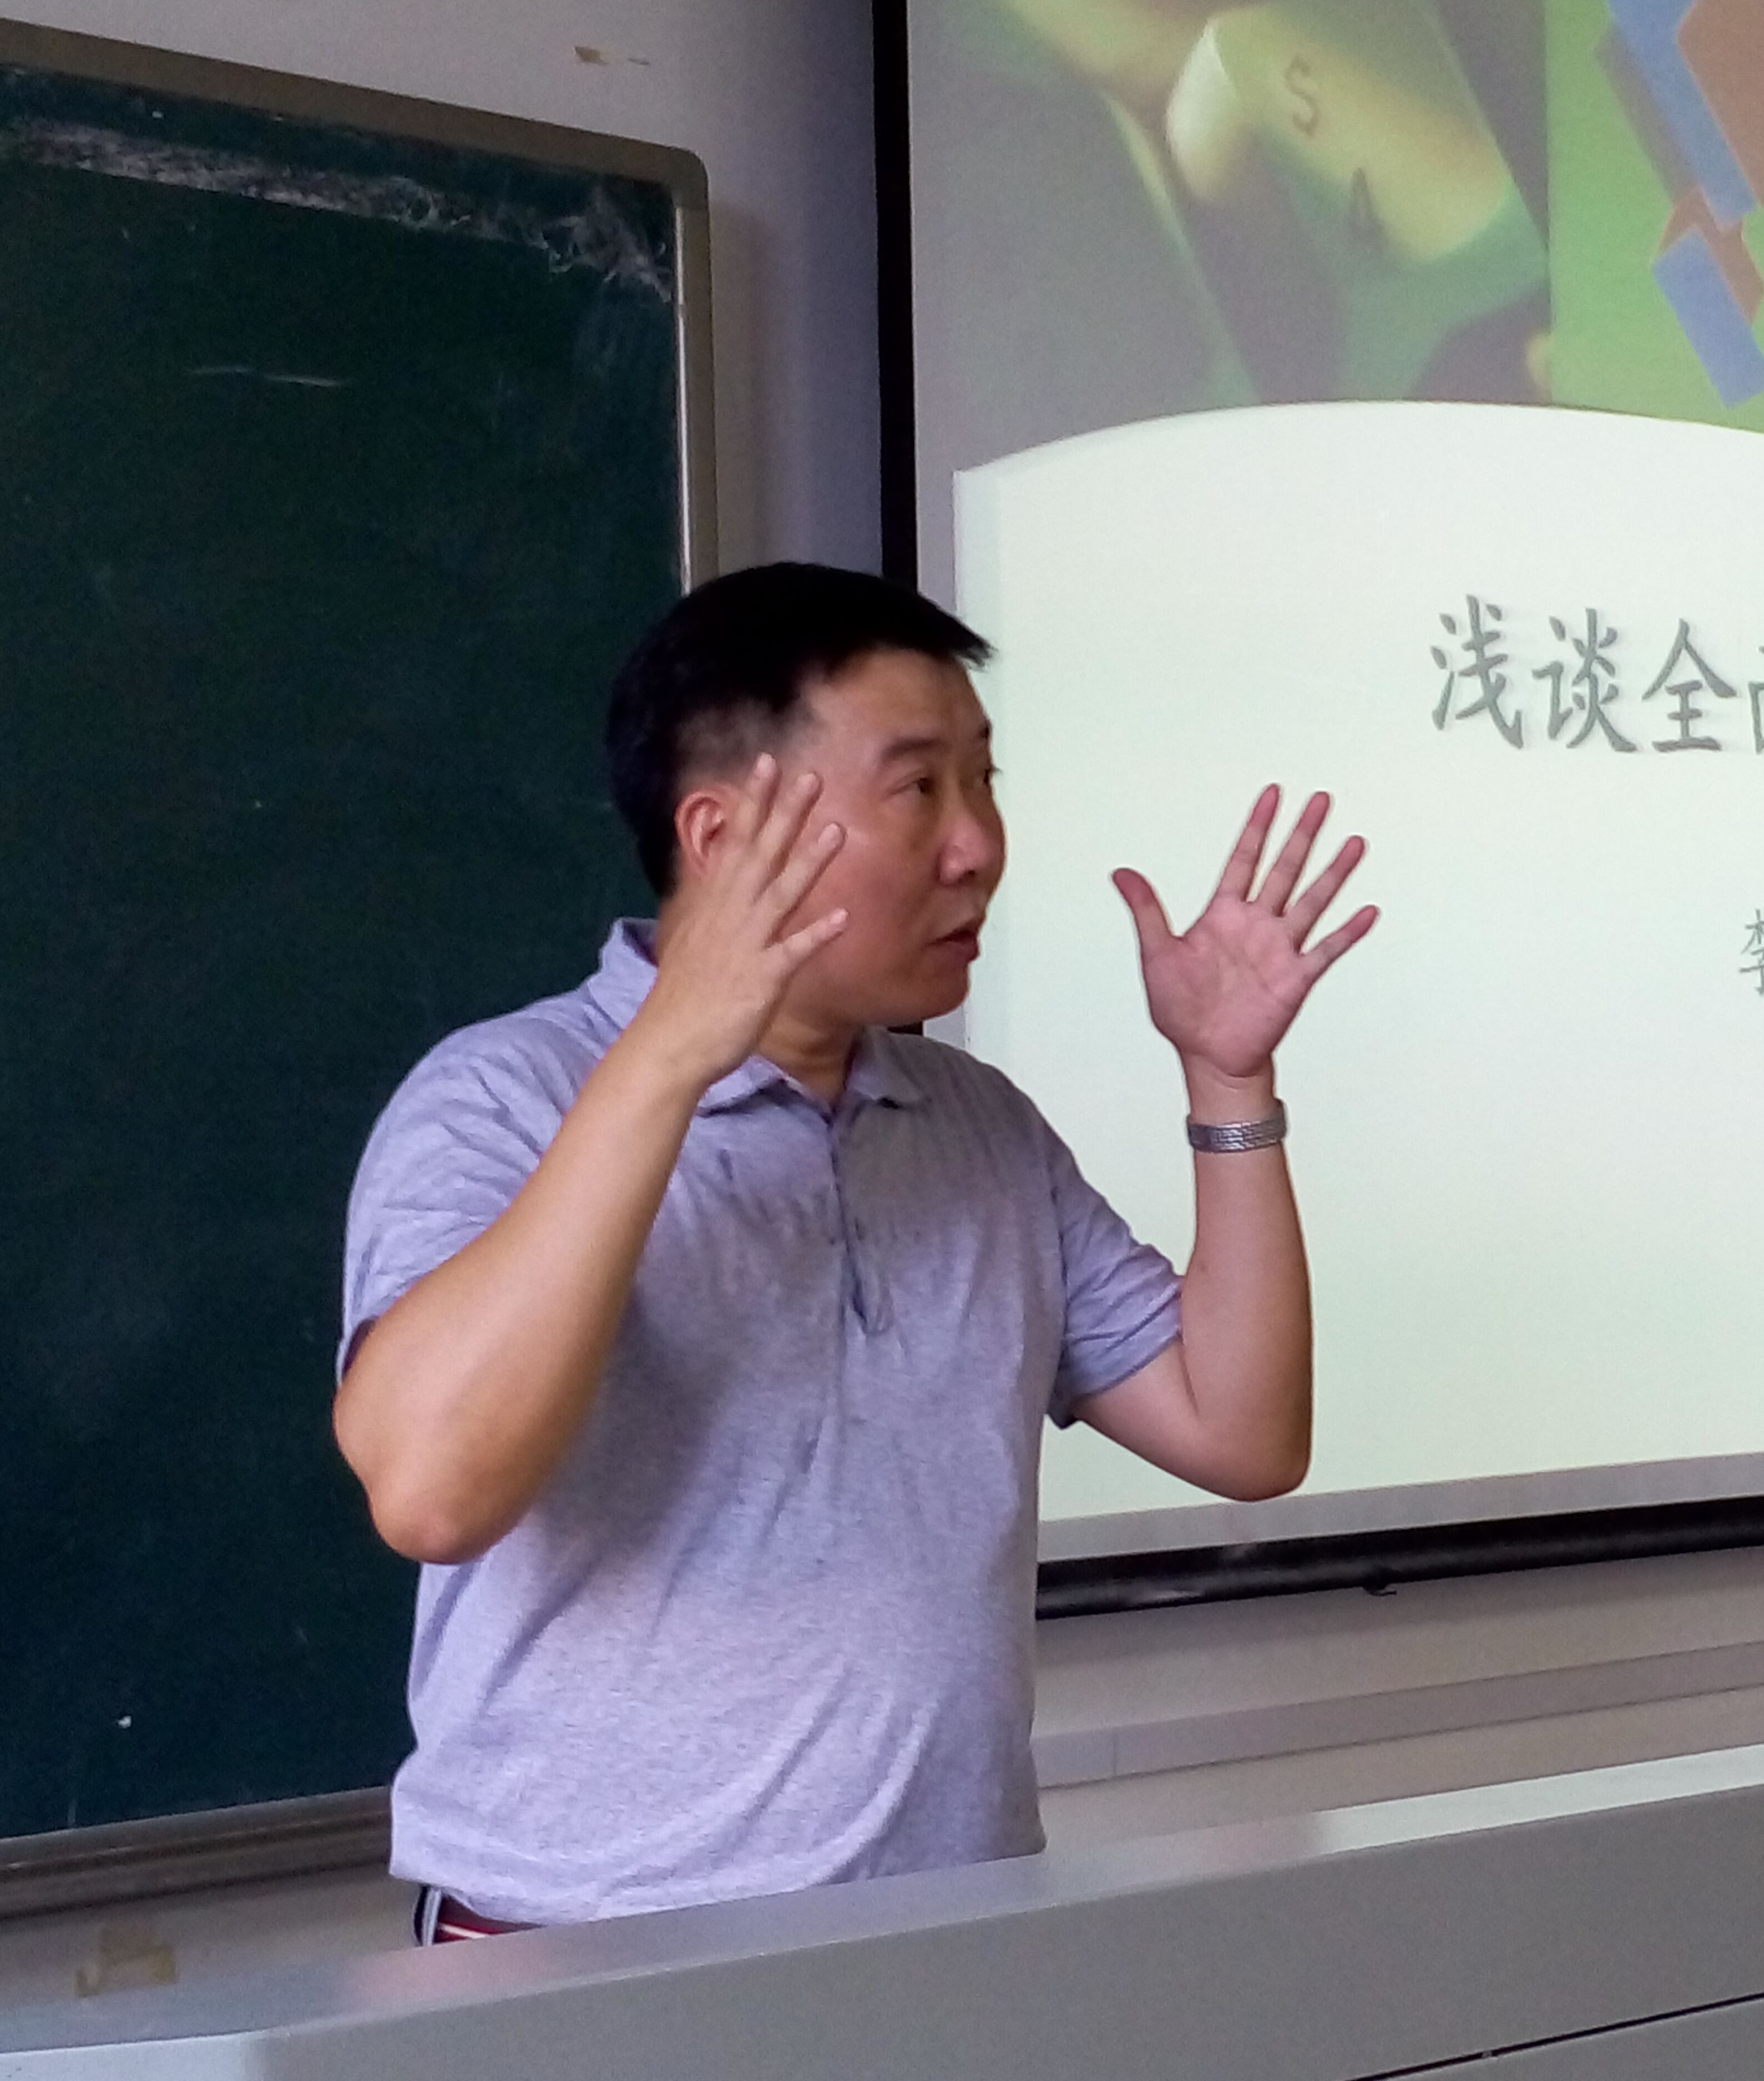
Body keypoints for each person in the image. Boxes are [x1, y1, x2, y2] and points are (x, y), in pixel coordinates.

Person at [332, 563, 1374, 1937]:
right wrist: (674, 1052)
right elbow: (430, 1494)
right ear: (720, 835)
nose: (977, 846)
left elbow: (1240, 1435)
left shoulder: (977, 1126)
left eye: (984, 781)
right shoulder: (498, 1100)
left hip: (942, 1940)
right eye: (918, 788)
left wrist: (1227, 1084)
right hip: (584, 1954)